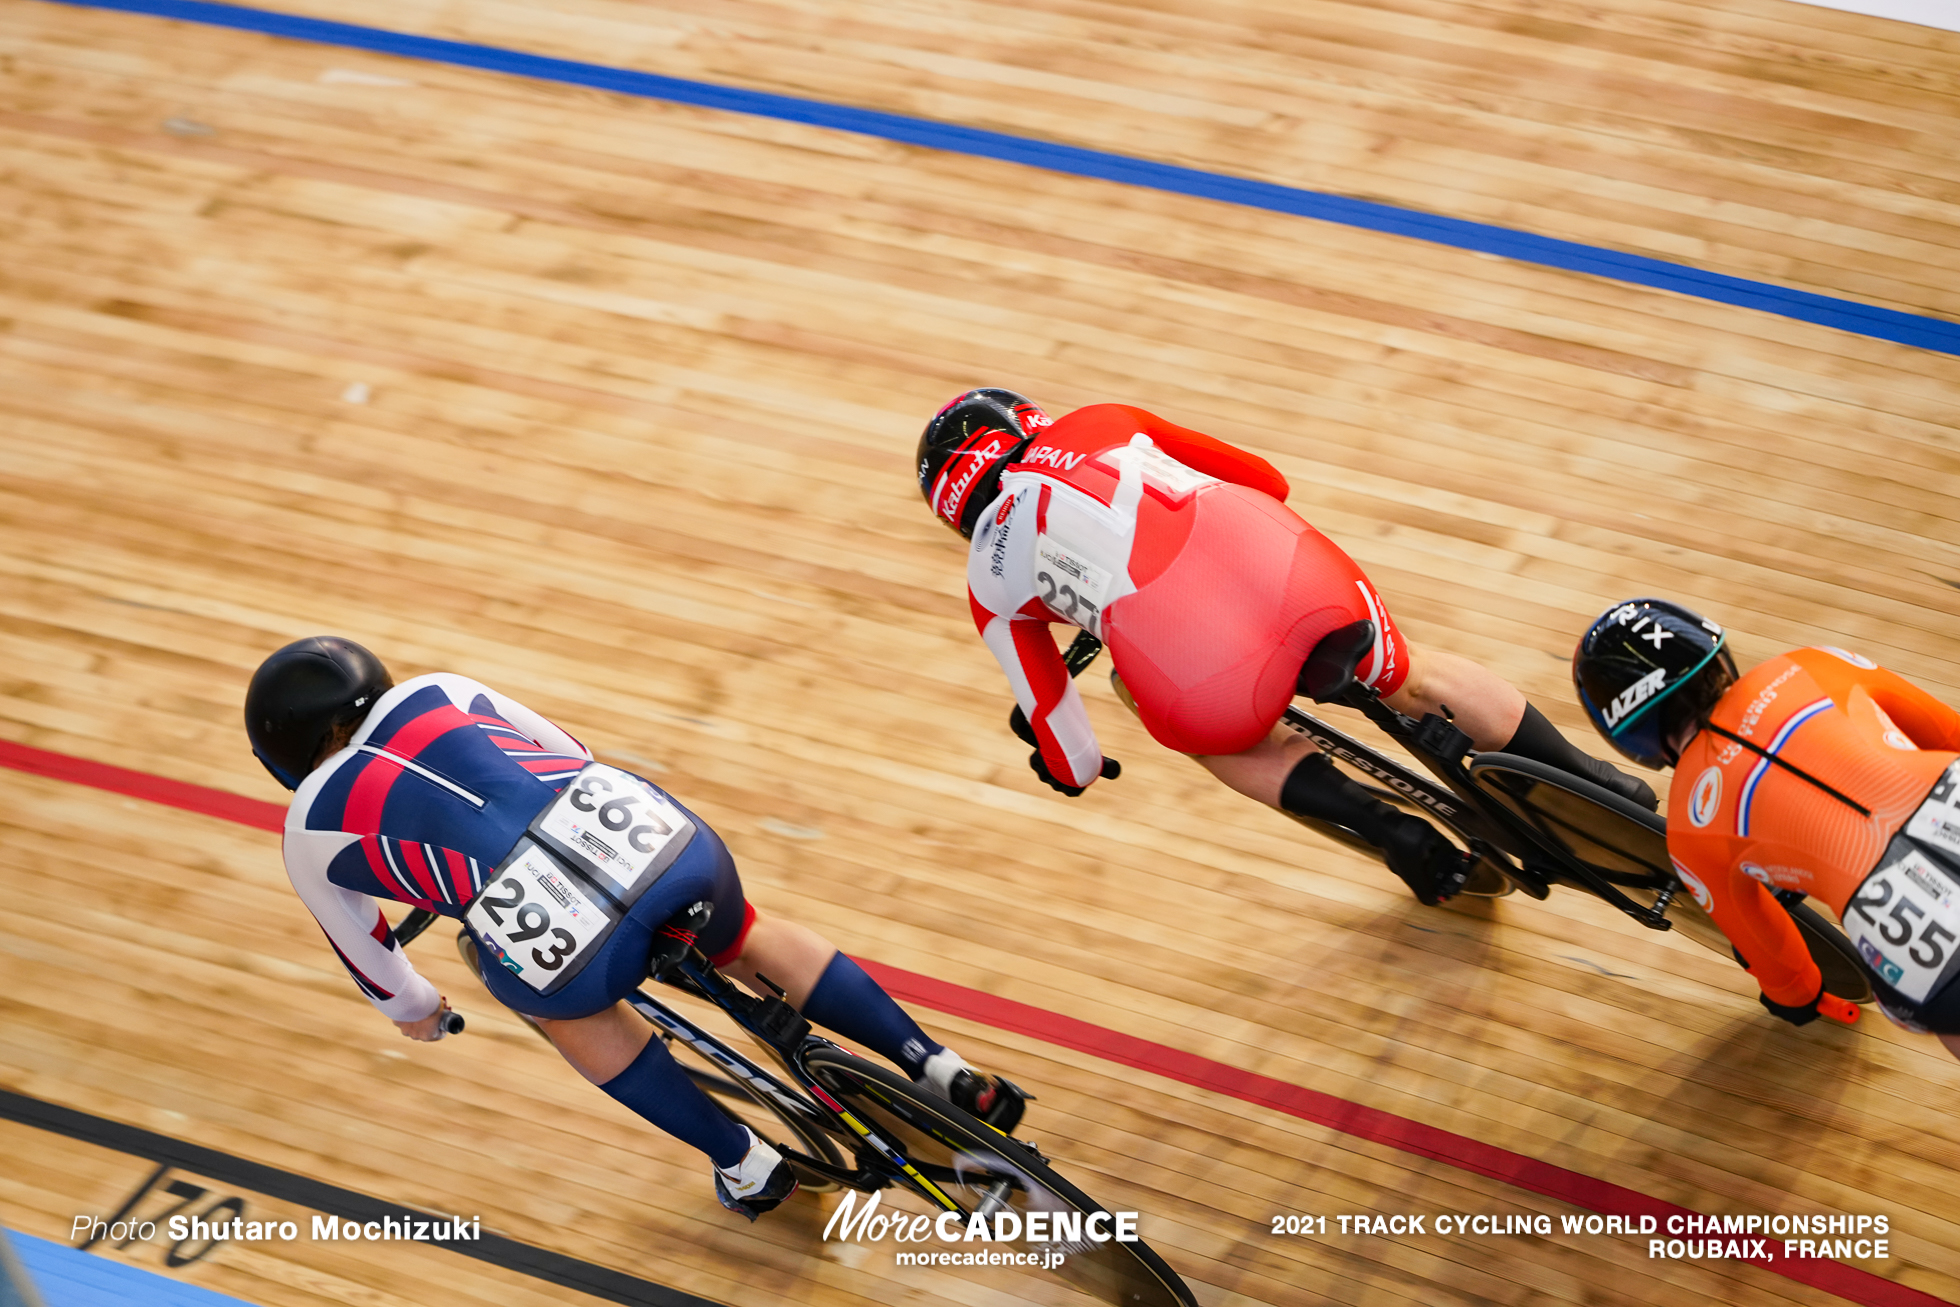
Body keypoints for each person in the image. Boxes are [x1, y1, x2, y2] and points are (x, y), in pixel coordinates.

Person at [245, 636, 1024, 1219]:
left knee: (570, 1014)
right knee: (745, 932)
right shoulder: (439, 687)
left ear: (284, 757)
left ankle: (746, 1160)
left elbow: (379, 970)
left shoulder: (308, 828)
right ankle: (941, 1067)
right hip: (654, 840)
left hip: (568, 941)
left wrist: (420, 1012)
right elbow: (570, 752)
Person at [916, 387, 1655, 906]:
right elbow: (1269, 479)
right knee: (1409, 671)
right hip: (1298, 576)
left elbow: (1073, 761)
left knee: (1208, 736)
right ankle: (1587, 776)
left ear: (955, 507)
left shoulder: (989, 580)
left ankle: (1385, 825)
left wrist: (1062, 759)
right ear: (1023, 420)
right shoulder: (1101, 420)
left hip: (1202, 672)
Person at [1573, 597, 1960, 1059]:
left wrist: (1798, 998)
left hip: (1919, 937)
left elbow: (1776, 956)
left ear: (1624, 731)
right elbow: (1948, 732)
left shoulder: (1690, 829)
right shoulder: (1815, 662)